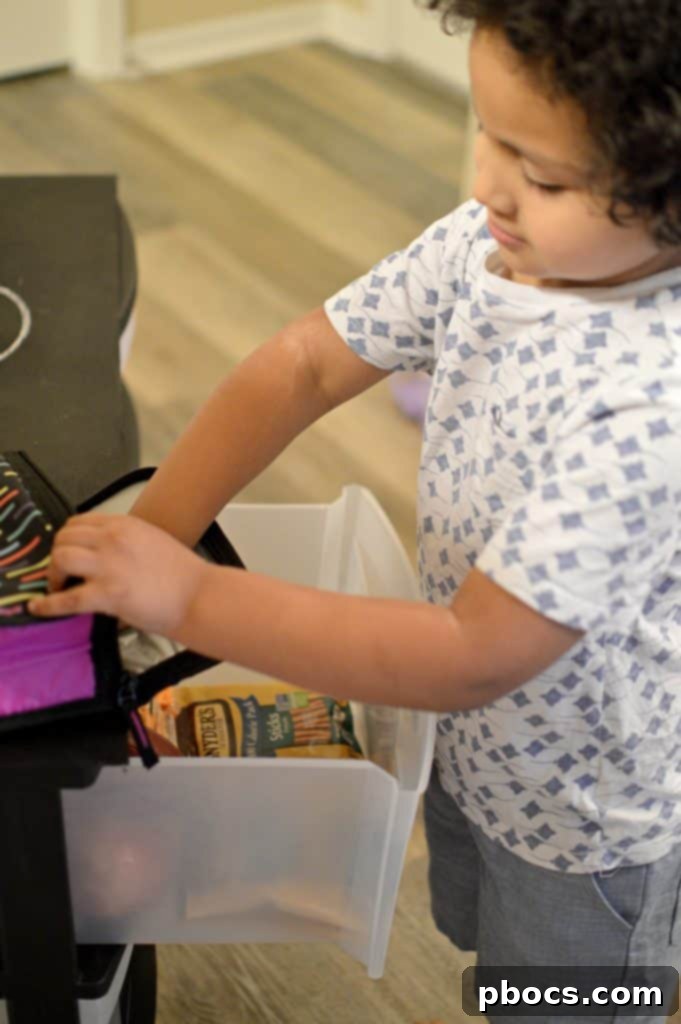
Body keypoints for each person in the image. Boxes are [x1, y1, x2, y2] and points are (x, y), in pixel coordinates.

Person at [29, 0, 681, 1018]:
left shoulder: (649, 406)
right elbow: (303, 363)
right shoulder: (490, 246)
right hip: (474, 751)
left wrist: (192, 596)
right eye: (487, 135)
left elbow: (474, 651)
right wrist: (156, 532)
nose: (486, 186)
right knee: (485, 946)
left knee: (565, 996)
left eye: (542, 175)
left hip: (580, 813)